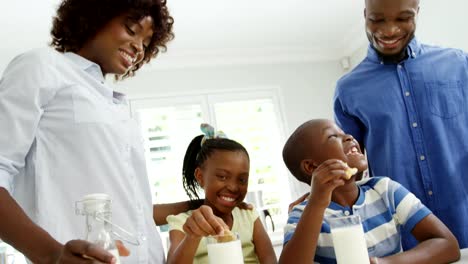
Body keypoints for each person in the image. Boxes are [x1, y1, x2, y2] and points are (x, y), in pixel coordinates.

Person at [0, 0, 183, 263]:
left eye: (145, 44)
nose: (138, 48)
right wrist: (52, 254)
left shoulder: (115, 105)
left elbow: (134, 209)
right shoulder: (42, 66)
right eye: (131, 30)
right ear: (94, 17)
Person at [333, 0, 468, 249]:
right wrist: (316, 197)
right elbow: (351, 170)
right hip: (405, 234)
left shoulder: (459, 64)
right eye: (378, 20)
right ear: (365, 15)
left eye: (403, 18)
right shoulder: (348, 89)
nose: (389, 30)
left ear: (417, 12)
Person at [279, 119, 460, 264]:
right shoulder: (304, 214)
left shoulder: (384, 190)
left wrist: (385, 263)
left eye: (345, 133)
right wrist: (316, 203)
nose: (349, 137)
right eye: (333, 136)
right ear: (311, 166)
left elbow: (448, 245)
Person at [166, 125, 277, 264]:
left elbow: (270, 260)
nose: (233, 187)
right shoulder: (182, 223)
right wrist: (192, 237)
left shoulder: (249, 216)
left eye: (242, 179)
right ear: (200, 177)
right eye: (222, 177)